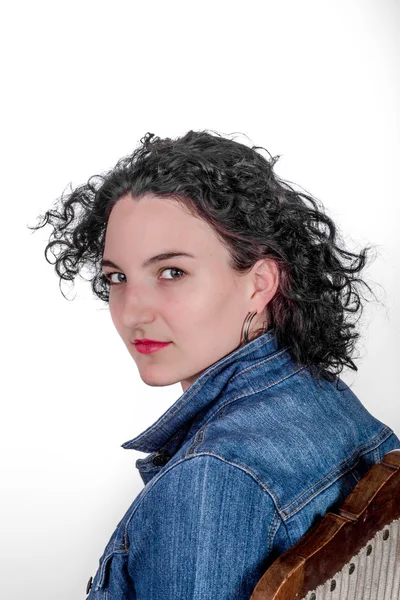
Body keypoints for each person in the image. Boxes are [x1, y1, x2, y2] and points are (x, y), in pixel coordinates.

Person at [29, 130, 400, 600]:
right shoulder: (322, 396)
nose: (132, 311)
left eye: (172, 272)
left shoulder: (210, 481)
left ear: (260, 283)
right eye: (117, 277)